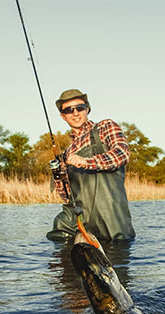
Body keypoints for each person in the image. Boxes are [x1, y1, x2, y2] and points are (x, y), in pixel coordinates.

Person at [46, 89, 135, 242]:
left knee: (116, 252)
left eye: (79, 108)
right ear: (63, 116)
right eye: (69, 110)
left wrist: (86, 161)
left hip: (111, 218)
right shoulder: (67, 153)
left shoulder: (105, 126)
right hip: (79, 220)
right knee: (58, 237)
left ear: (87, 109)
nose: (75, 113)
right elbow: (66, 196)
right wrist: (59, 177)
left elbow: (122, 153)